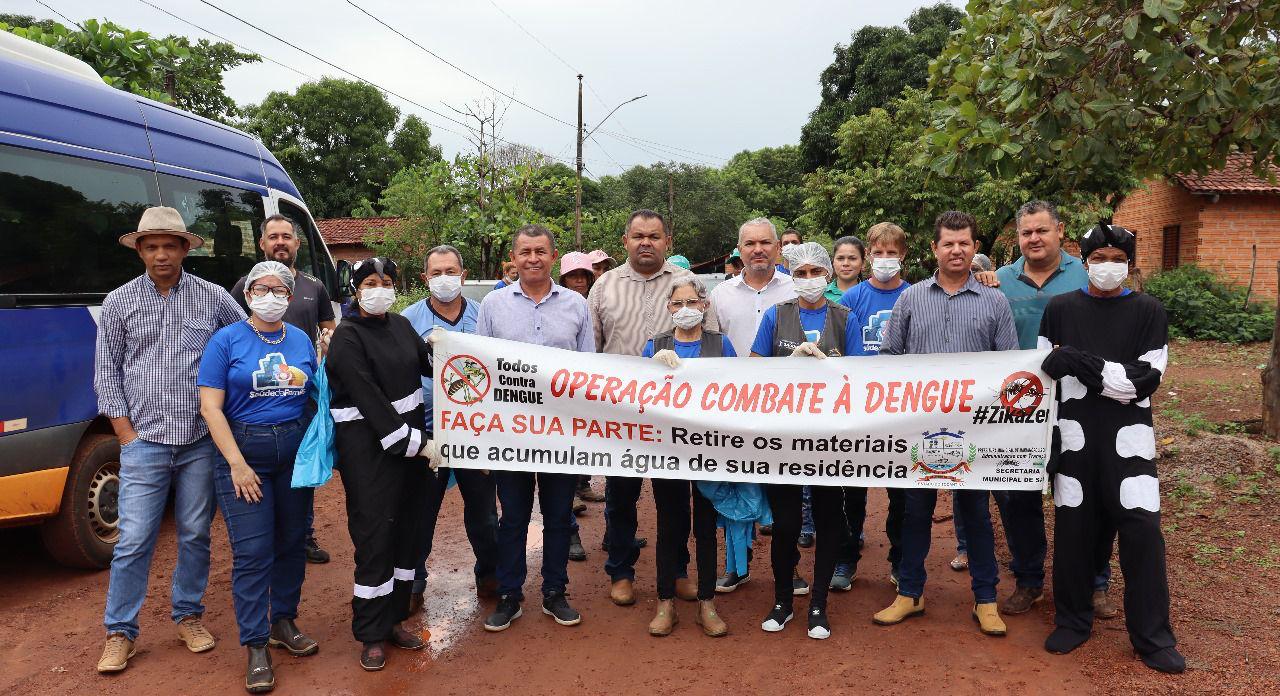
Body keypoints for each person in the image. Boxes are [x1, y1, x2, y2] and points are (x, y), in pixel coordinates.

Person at [94, 206, 246, 673]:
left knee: (196, 534)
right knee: (134, 539)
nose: (161, 254)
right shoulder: (119, 301)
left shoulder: (213, 298)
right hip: (145, 444)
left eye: (169, 245)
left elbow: (245, 340)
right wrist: (127, 435)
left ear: (184, 249)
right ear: (140, 250)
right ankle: (120, 631)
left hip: (201, 440)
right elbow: (107, 373)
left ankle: (188, 615)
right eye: (151, 246)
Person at [1038, 223, 1183, 673]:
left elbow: (1138, 386)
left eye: (1117, 258)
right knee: (1075, 531)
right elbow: (1047, 372)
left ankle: (1152, 635)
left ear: (1130, 263)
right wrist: (1095, 370)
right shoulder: (1059, 308)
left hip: (1131, 443)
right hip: (1076, 439)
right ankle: (1073, 618)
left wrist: (1079, 360)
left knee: (1142, 534)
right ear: (1084, 261)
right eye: (1098, 258)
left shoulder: (1148, 311)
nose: (1107, 266)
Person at [872, 211, 1019, 638]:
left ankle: (986, 599)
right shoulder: (911, 299)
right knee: (915, 513)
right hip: (920, 429)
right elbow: (888, 359)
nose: (957, 250)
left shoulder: (995, 300)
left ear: (975, 249)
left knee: (974, 513)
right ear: (934, 249)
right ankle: (910, 594)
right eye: (948, 243)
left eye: (964, 243)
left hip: (975, 429)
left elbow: (1011, 364)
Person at [972, 201, 1113, 618]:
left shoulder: (1087, 276)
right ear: (1018, 238)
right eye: (1026, 233)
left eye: (1042, 231)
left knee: (1087, 495)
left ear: (1060, 231)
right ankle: (1029, 579)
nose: (1034, 239)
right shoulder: (997, 281)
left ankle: (1095, 582)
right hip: (1017, 409)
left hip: (1079, 404)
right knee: (1017, 498)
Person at [199, 261, 319, 693]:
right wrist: (236, 462)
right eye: (261, 288)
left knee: (291, 542)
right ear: (247, 293)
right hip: (244, 453)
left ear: (290, 295)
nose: (271, 295)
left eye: (280, 289)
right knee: (253, 552)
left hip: (293, 454)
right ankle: (255, 644)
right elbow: (210, 406)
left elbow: (315, 396)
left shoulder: (302, 339)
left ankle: (283, 622)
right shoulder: (226, 340)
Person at [588, 209, 714, 607]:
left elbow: (709, 342)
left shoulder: (686, 285)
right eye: (638, 236)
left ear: (667, 241)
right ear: (624, 241)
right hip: (621, 413)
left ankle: (675, 572)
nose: (646, 242)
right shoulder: (603, 287)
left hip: (674, 416)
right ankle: (621, 571)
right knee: (620, 496)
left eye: (654, 236)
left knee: (673, 498)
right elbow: (590, 350)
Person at [478, 225, 594, 632]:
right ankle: (510, 594)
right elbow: (481, 370)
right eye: (525, 251)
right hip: (510, 433)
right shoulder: (492, 305)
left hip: (562, 434)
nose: (533, 258)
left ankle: (555, 592)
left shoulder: (576, 305)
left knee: (559, 515)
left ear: (553, 255)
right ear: (513, 257)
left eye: (540, 251)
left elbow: (588, 370)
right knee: (512, 518)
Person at [326, 256, 438, 671]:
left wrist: (449, 349)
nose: (380, 288)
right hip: (370, 451)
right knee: (375, 536)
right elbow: (367, 397)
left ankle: (394, 619)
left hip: (410, 450)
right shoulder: (347, 337)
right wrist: (414, 442)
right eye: (370, 282)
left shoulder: (402, 326)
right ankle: (370, 632)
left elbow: (428, 368)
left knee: (407, 532)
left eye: (386, 281)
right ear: (356, 290)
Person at [748, 242, 860, 640]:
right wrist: (787, 365)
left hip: (831, 440)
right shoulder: (775, 317)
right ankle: (782, 600)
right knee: (787, 523)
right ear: (791, 276)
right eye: (802, 273)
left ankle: (819, 604)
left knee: (830, 519)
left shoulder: (846, 318)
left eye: (817, 272)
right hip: (783, 439)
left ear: (828, 275)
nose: (809, 279)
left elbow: (863, 378)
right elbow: (754, 369)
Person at [230, 214, 337, 566]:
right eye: (273, 236)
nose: (280, 242)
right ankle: (264, 539)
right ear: (261, 243)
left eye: (286, 236)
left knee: (301, 469)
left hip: (301, 399)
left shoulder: (314, 287)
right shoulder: (246, 285)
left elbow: (329, 329)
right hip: (257, 399)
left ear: (297, 243)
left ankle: (302, 535)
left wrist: (328, 342)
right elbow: (231, 334)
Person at [400, 246, 500, 613]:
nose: (444, 277)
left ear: (464, 273)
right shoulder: (407, 320)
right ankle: (413, 582)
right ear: (425, 277)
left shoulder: (483, 315)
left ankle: (490, 574)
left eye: (451, 270)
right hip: (427, 433)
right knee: (421, 511)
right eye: (436, 271)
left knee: (484, 511)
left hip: (477, 431)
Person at [641, 277, 736, 637]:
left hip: (711, 450)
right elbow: (636, 394)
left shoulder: (721, 343)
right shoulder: (655, 345)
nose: (685, 310)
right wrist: (652, 365)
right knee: (669, 525)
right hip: (667, 450)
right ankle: (666, 601)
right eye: (677, 304)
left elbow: (741, 391)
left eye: (692, 302)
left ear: (704, 305)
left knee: (706, 527)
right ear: (668, 308)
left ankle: (707, 603)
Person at [708, 217, 796, 592]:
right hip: (732, 407)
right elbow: (711, 345)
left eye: (765, 243)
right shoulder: (720, 295)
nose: (758, 250)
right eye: (749, 244)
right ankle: (736, 564)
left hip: (787, 407)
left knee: (784, 489)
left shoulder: (797, 289)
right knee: (736, 482)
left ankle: (788, 568)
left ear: (778, 248)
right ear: (739, 250)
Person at [835, 222, 912, 590]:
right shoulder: (851, 299)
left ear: (903, 256)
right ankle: (845, 560)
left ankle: (899, 561)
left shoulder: (915, 295)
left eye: (891, 253)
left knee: (901, 493)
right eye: (878, 253)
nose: (885, 259)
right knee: (852, 492)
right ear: (868, 257)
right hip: (858, 409)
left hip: (902, 410)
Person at [556, 252, 608, 519]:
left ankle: (582, 483)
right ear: (564, 279)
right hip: (561, 386)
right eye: (573, 276)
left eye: (583, 275)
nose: (579, 281)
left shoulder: (596, 300)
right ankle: (570, 496)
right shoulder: (559, 304)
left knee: (586, 437)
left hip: (592, 382)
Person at [825, 236, 865, 303]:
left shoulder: (870, 294)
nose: (846, 263)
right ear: (833, 262)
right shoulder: (820, 295)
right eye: (840, 258)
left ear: (863, 263)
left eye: (852, 258)